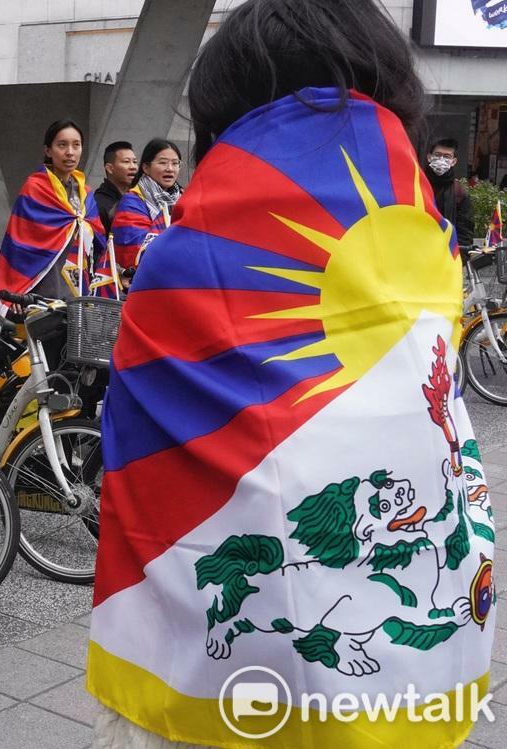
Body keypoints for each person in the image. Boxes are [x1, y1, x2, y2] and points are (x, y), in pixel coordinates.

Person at [88, 1, 495, 747]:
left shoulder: (181, 263)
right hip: (415, 647)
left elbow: (134, 441)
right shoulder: (430, 243)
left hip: (225, 679)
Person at [0, 119, 108, 315]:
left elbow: (98, 244)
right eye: (62, 145)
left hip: (78, 292)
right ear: (48, 151)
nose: (70, 152)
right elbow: (19, 247)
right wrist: (17, 291)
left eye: (76, 145)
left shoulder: (86, 194)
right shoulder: (35, 188)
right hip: (40, 291)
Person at [110, 138, 183, 277]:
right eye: (162, 163)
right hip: (146, 281)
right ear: (145, 167)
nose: (170, 168)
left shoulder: (185, 197)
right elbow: (135, 251)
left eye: (175, 163)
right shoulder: (132, 201)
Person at [425, 138, 474, 248]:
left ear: (453, 162)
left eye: (447, 156)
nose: (441, 159)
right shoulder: (417, 184)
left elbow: (465, 231)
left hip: (445, 250)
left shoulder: (459, 193)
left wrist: (460, 256)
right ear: (429, 157)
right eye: (437, 155)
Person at [93, 140, 138, 230]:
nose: (133, 167)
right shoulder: (98, 204)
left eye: (135, 162)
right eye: (126, 162)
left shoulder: (138, 198)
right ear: (110, 168)